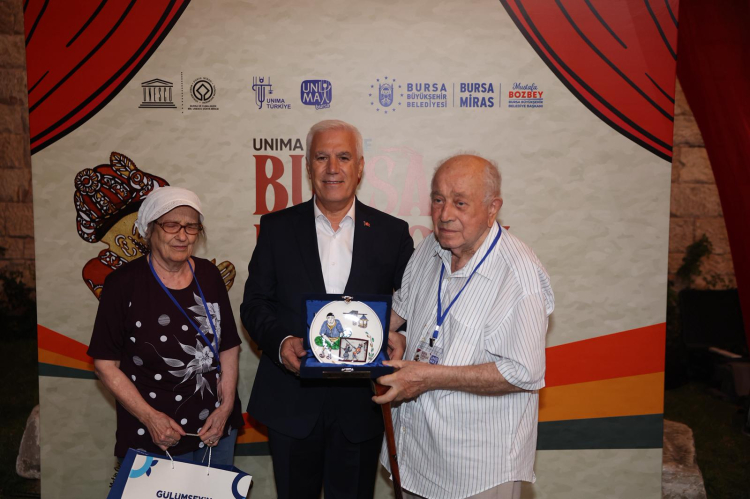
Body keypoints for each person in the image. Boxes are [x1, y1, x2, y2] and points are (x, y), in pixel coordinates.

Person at [241, 119, 414, 499]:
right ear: (308, 166)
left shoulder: (392, 233)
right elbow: (254, 303)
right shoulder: (276, 228)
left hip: (362, 406)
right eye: (322, 157)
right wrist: (281, 342)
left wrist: (401, 335)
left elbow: (413, 304)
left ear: (360, 166)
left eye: (343, 157)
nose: (332, 168)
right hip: (291, 401)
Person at [373, 155, 554, 499]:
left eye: (460, 203)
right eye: (438, 200)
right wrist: (382, 336)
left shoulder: (518, 275)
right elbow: (401, 309)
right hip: (414, 456)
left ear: (492, 209)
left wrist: (429, 377)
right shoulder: (431, 246)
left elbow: (523, 372)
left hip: (474, 472)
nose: (444, 215)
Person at [87, 186, 244, 465]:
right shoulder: (123, 284)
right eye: (171, 225)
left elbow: (229, 344)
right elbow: (105, 364)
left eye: (191, 227)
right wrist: (150, 418)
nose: (182, 236)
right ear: (148, 229)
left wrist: (227, 406)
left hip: (216, 428)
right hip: (155, 433)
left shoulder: (209, 275)